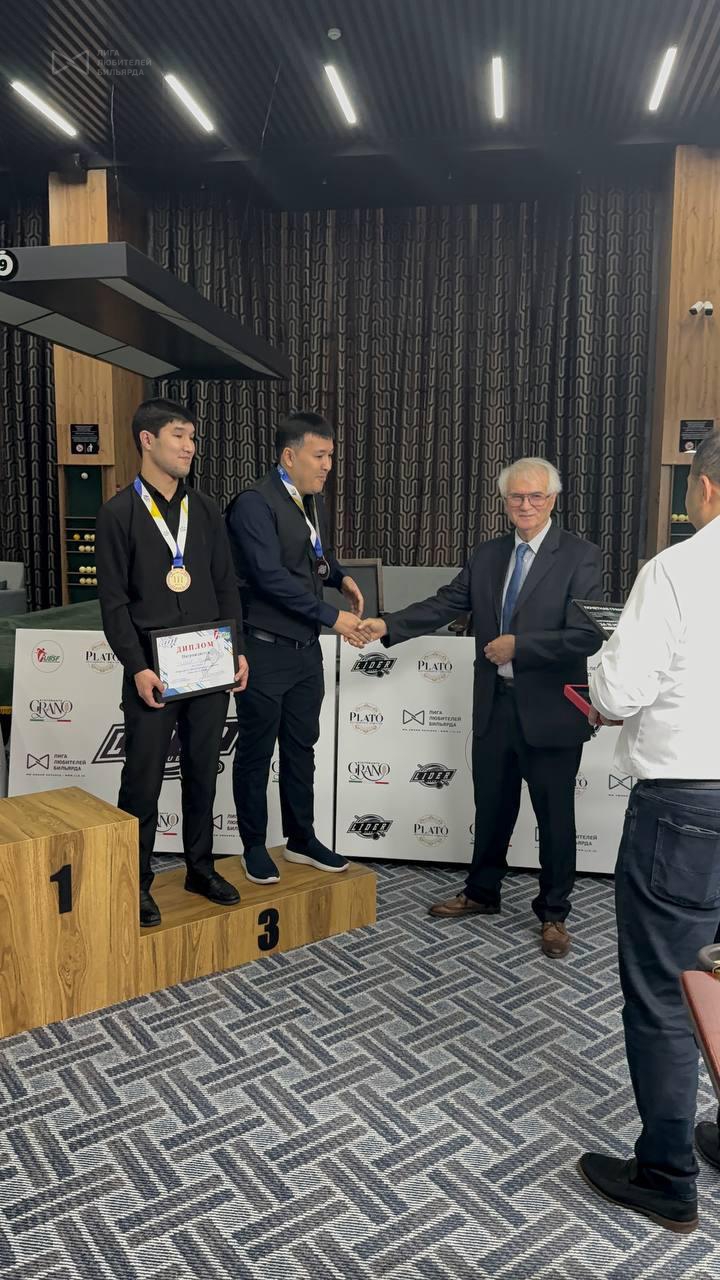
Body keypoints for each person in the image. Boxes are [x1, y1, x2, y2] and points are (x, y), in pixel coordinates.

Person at [353, 457, 602, 957]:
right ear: (504, 501)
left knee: (556, 818)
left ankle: (554, 913)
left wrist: (520, 646)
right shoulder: (488, 554)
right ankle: (482, 892)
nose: (525, 505)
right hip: (495, 706)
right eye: (516, 496)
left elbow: (587, 634)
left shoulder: (581, 556)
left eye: (535, 496)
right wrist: (388, 625)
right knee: (491, 808)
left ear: (553, 499)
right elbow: (447, 602)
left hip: (551, 713)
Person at [578, 431, 720, 1233]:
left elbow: (619, 693)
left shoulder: (676, 569)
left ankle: (667, 1175)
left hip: (690, 805)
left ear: (705, 488)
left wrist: (600, 668)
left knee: (669, 990)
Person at [96, 398, 248, 928]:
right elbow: (114, 603)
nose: (189, 447)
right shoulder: (118, 513)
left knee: (203, 773)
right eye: (179, 436)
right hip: (152, 673)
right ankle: (135, 881)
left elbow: (226, 584)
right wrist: (136, 666)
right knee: (141, 781)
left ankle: (199, 869)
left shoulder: (204, 509)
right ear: (147, 439)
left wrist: (237, 650)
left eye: (193, 438)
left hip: (207, 665)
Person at [226, 411, 362, 884]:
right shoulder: (253, 504)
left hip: (305, 652)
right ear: (289, 456)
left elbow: (312, 556)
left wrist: (340, 577)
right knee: (256, 753)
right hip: (264, 651)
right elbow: (269, 576)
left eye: (330, 456)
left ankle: (301, 838)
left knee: (301, 749)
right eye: (319, 456)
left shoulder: (306, 500)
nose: (327, 466)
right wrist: (331, 616)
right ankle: (252, 845)